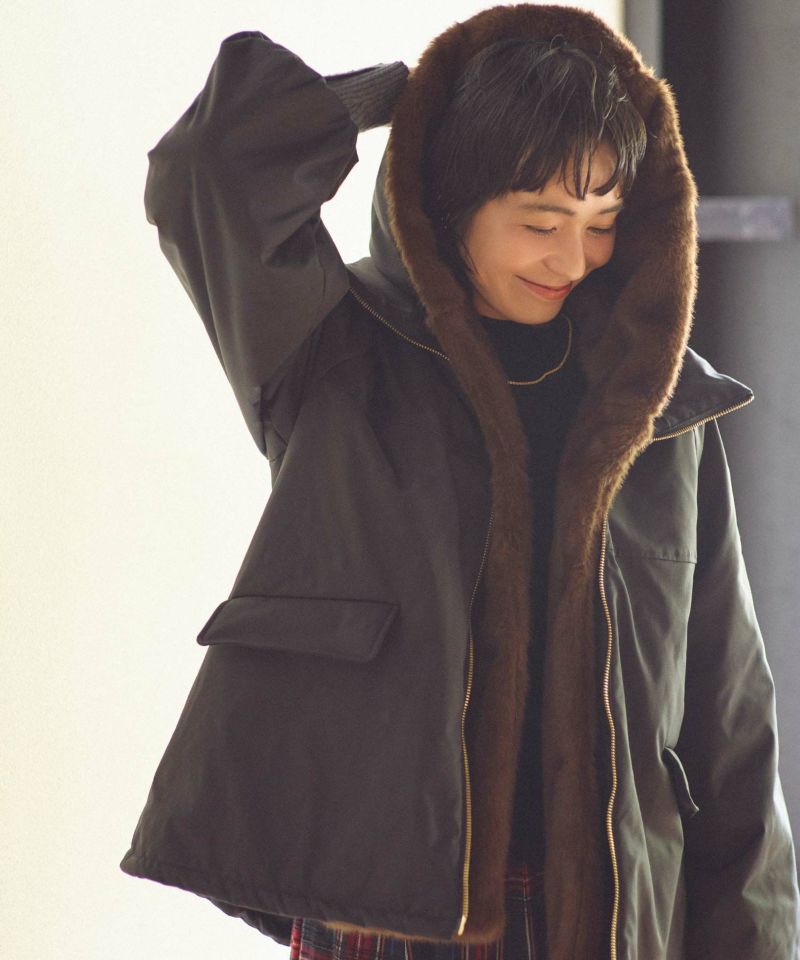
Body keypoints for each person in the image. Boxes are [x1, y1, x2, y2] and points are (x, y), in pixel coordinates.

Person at [119, 5, 800, 959]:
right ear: (450, 197)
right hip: (393, 910)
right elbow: (209, 168)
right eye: (541, 222)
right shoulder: (334, 349)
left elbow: (732, 724)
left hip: (610, 915)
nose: (572, 258)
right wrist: (413, 98)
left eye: (602, 224)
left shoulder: (659, 403)